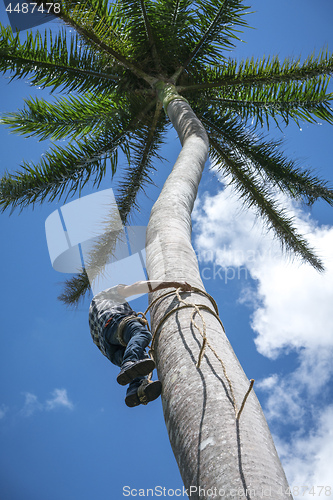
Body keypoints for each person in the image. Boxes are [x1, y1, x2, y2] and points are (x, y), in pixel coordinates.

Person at [89, 280, 191, 407]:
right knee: (142, 334)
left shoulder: (92, 313)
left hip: (109, 347)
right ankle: (128, 362)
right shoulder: (107, 293)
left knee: (141, 361)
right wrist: (173, 283)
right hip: (115, 321)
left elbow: (99, 340)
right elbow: (137, 287)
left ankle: (137, 389)